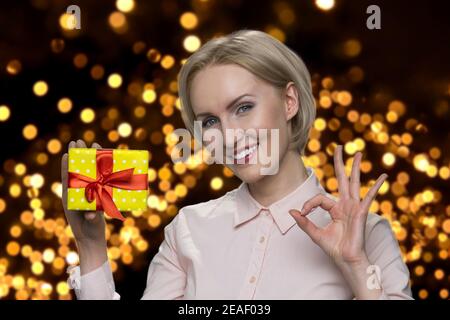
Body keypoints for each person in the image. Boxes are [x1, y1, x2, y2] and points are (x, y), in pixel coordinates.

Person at [61, 29, 412, 299]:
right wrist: (91, 248)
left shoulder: (367, 235)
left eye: (243, 108)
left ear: (289, 101)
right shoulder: (188, 229)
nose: (228, 136)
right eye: (210, 121)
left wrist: (355, 265)